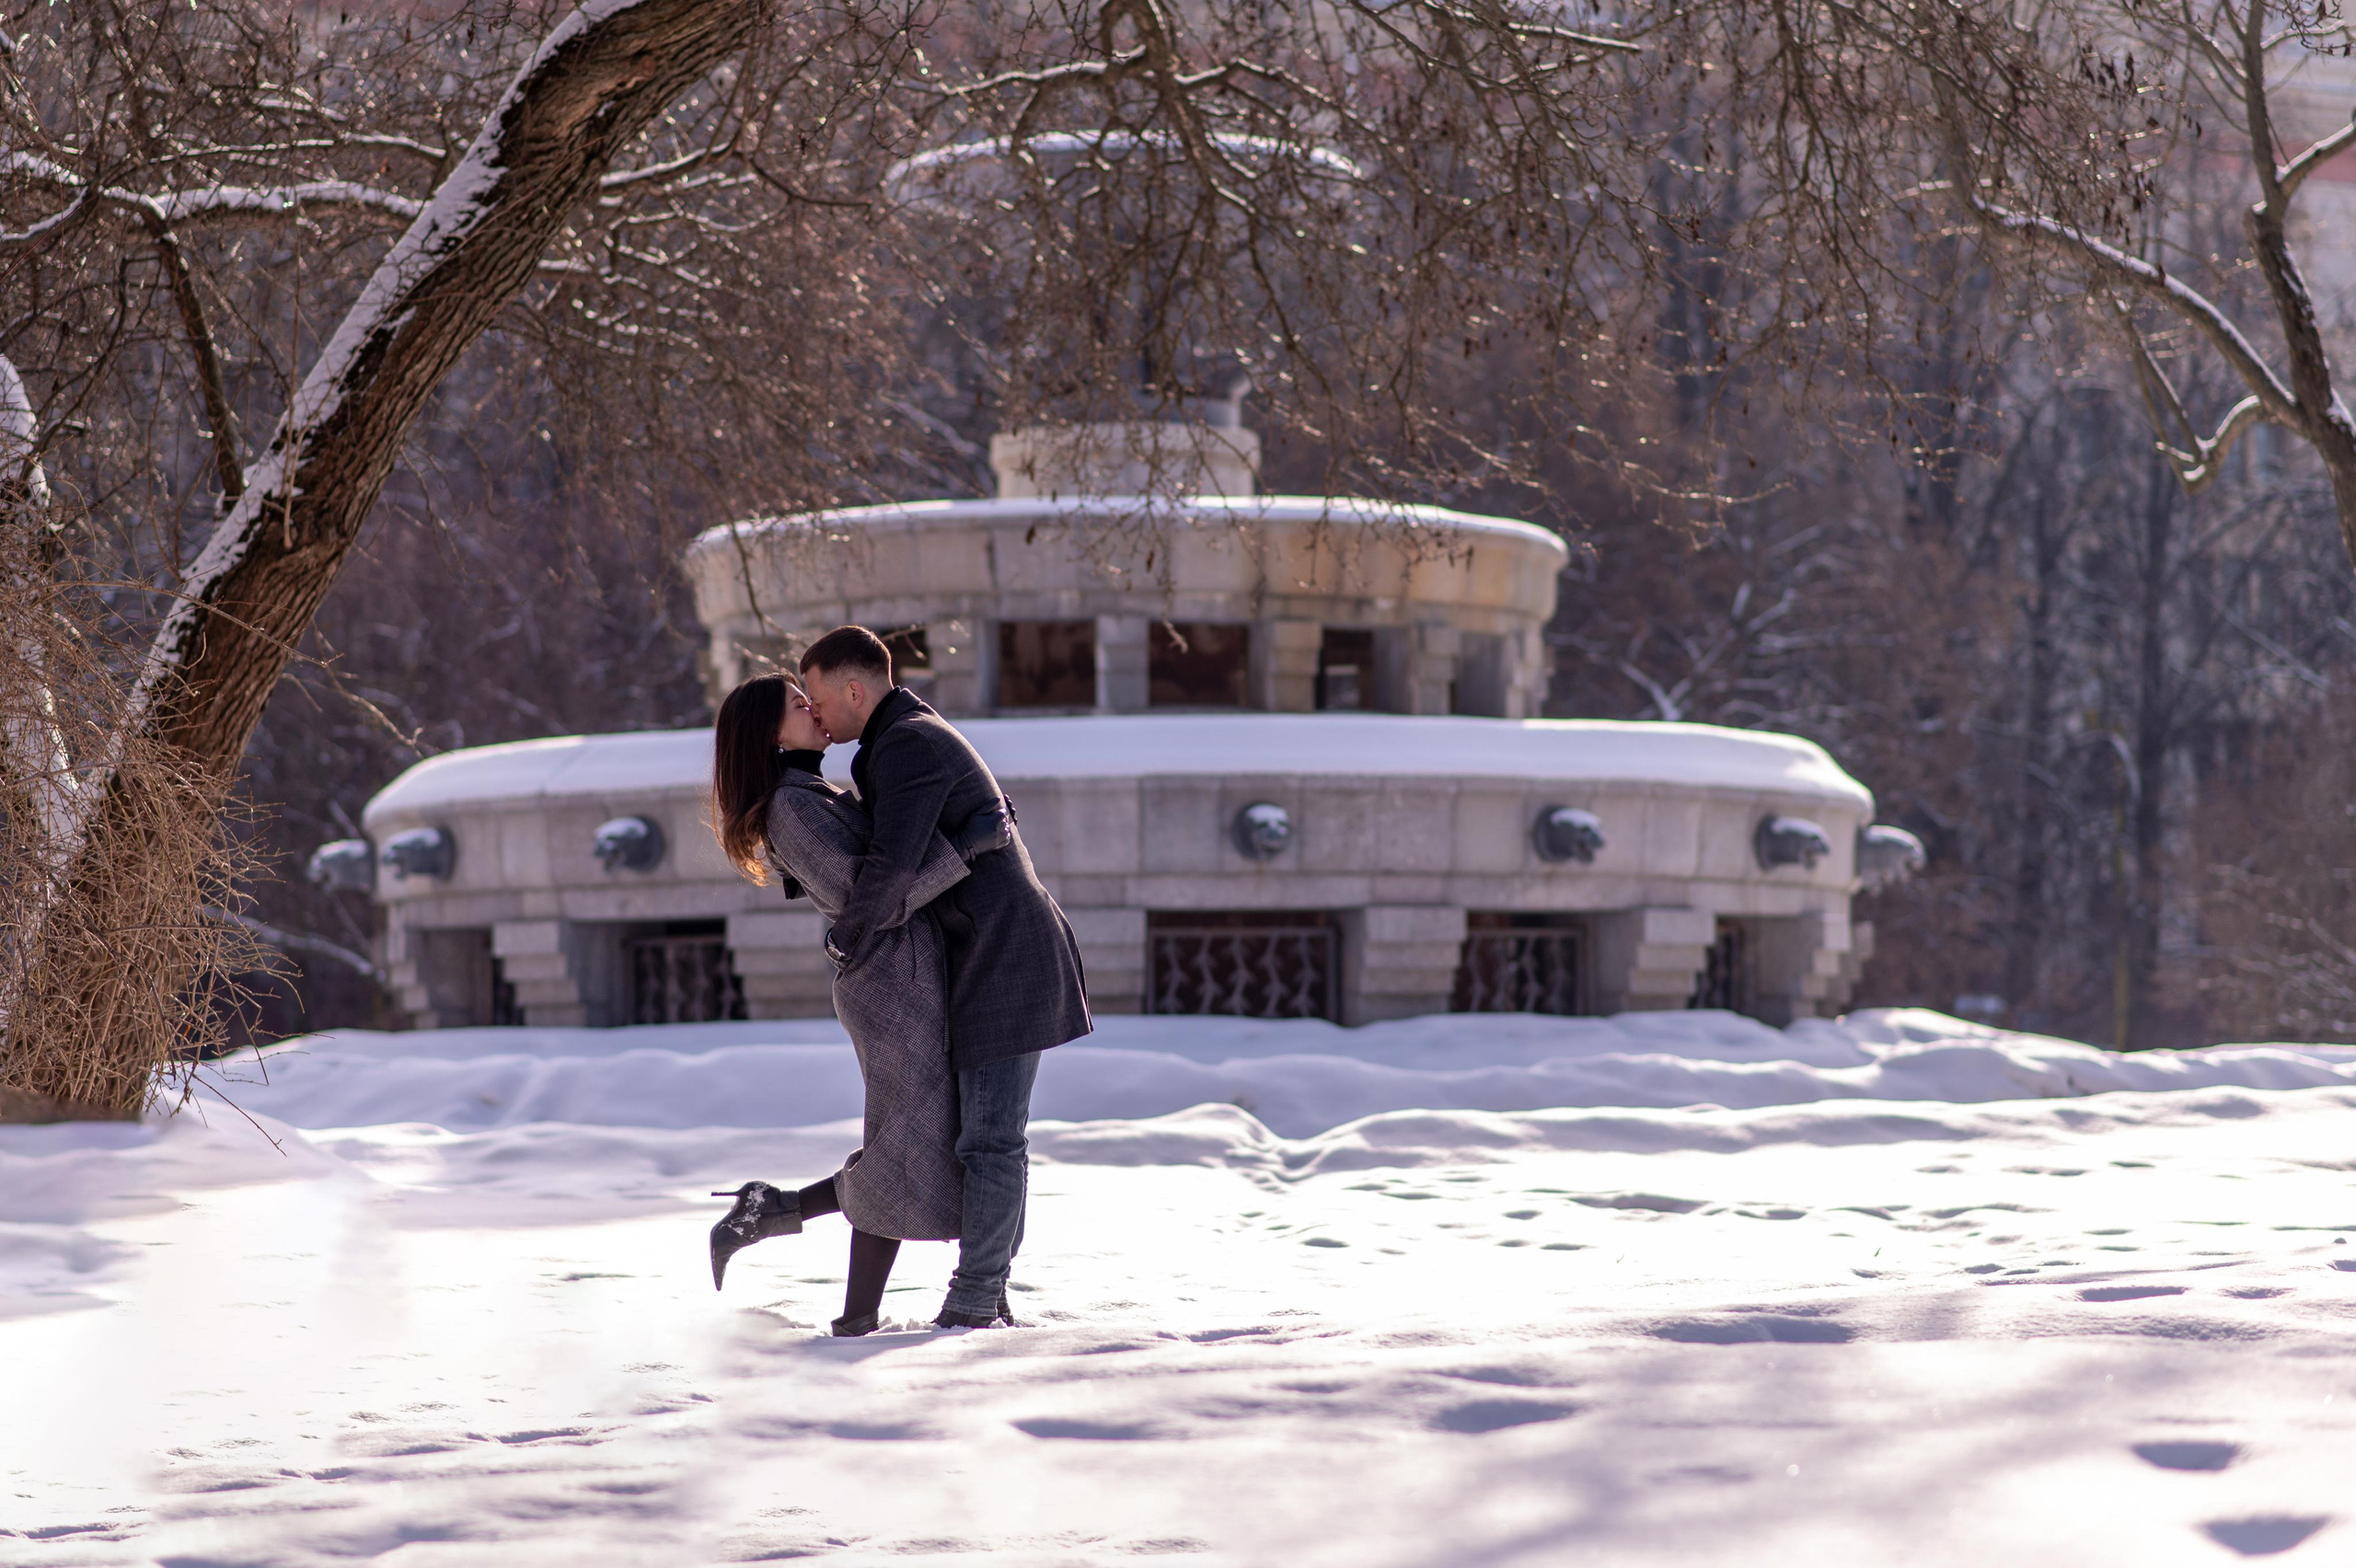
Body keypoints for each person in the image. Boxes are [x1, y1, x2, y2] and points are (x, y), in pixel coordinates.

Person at [799, 625, 1093, 1329]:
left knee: (992, 1141)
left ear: (853, 689)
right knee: (986, 1140)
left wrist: (849, 934)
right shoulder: (898, 742)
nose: (814, 713)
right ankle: (987, 1296)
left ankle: (973, 1302)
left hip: (1008, 957)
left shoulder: (907, 746)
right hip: (987, 955)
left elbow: (895, 863)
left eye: (815, 697)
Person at [704, 674, 1011, 1335]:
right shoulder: (793, 805)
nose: (813, 710)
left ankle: (774, 1214)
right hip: (891, 985)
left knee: (913, 1144)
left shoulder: (812, 791)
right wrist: (965, 846)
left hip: (907, 977)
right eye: (797, 704)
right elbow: (863, 899)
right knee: (905, 1146)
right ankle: (854, 1320)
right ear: (769, 732)